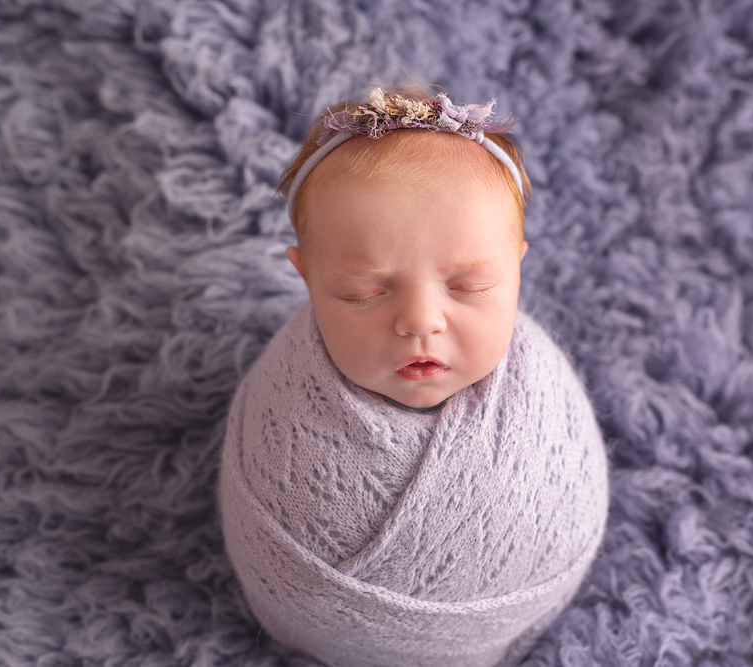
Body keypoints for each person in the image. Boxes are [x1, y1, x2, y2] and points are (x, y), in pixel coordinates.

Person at [220, 86, 609, 667]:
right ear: (305, 277)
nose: (421, 321)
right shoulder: (279, 430)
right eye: (363, 292)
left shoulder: (545, 422)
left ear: (517, 265)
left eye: (470, 287)